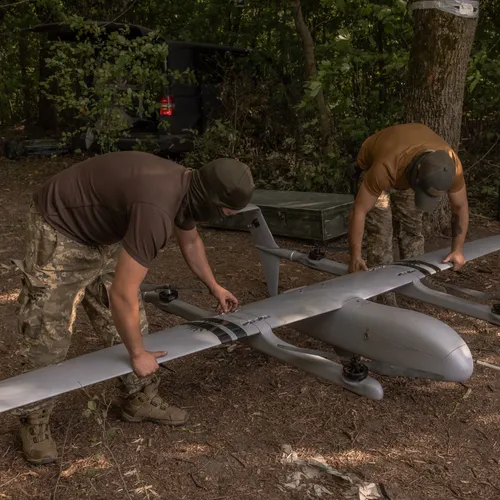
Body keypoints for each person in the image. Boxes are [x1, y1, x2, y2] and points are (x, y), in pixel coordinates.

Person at [11, 151, 255, 465]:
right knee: (48, 333)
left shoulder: (188, 190)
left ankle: (138, 397)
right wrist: (138, 355)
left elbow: (191, 241)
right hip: (60, 225)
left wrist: (214, 286)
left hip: (102, 230)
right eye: (226, 211)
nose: (227, 216)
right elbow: (122, 294)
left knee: (130, 324)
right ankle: (34, 421)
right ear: (210, 199)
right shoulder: (157, 209)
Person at [347, 123, 469, 303]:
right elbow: (359, 210)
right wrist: (355, 257)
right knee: (382, 232)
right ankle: (382, 292)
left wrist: (457, 249)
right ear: (418, 173)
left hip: (410, 167)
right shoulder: (385, 167)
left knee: (412, 226)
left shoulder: (451, 166)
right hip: (379, 163)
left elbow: (460, 207)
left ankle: (416, 278)